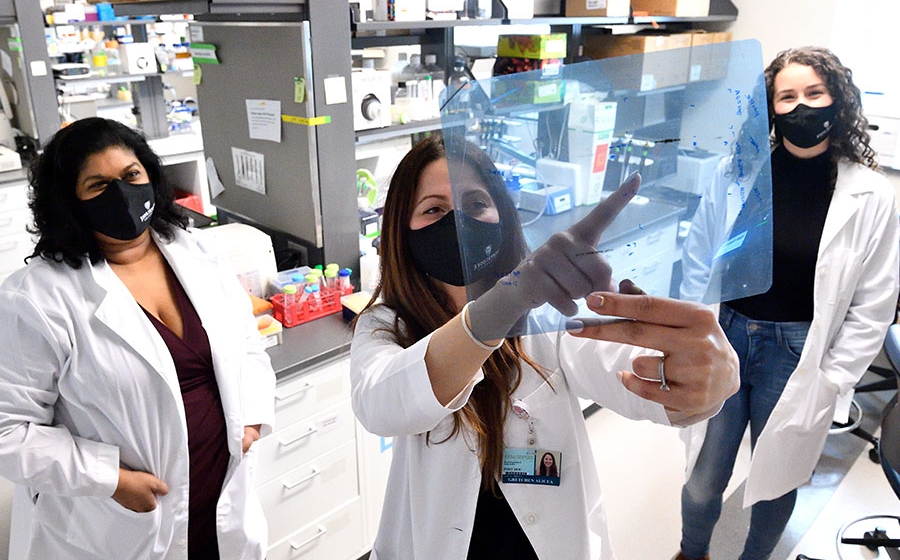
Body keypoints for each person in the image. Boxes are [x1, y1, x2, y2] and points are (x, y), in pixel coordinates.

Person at [350, 135, 741, 559]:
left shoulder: (548, 317)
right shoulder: (384, 324)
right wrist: (506, 300)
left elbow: (639, 381)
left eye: (475, 204)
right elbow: (382, 403)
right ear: (401, 231)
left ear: (502, 215)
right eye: (434, 209)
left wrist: (697, 378)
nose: (458, 223)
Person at [0, 117, 276, 559]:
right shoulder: (36, 298)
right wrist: (109, 479)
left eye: (131, 176)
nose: (122, 194)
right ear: (69, 202)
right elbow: (8, 432)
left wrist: (252, 418)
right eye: (97, 185)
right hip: (122, 524)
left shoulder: (196, 252)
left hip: (220, 501)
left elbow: (246, 342)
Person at [676, 46, 900, 560]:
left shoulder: (870, 194)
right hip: (725, 335)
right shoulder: (737, 174)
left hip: (798, 353)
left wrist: (833, 377)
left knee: (776, 480)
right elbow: (698, 261)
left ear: (836, 99)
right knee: (703, 480)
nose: (802, 107)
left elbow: (874, 304)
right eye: (787, 96)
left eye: (814, 93)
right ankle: (693, 553)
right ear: (769, 108)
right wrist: (691, 336)